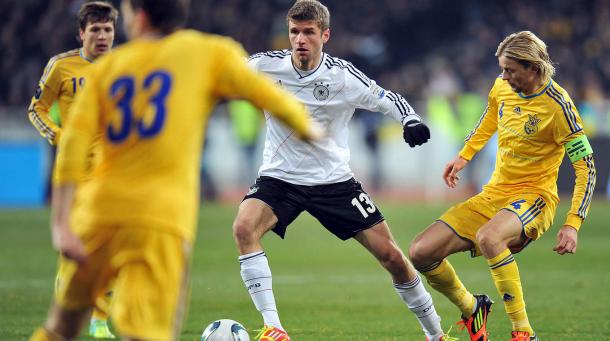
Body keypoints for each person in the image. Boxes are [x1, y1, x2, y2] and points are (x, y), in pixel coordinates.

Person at [28, 0, 322, 340]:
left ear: (138, 17)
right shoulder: (209, 52)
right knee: (148, 332)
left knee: (60, 327)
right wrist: (307, 127)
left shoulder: (107, 68)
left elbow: (72, 148)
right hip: (161, 218)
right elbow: (267, 95)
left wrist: (62, 225)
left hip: (98, 212)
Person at [232, 1, 450, 340]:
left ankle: (436, 334)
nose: (300, 39)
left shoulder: (342, 76)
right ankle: (274, 327)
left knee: (392, 256)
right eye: (294, 32)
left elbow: (385, 97)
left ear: (325, 35)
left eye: (308, 32)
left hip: (334, 182)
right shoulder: (264, 66)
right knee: (244, 227)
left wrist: (409, 119)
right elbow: (224, 71)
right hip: (280, 178)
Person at [408, 31, 596, 341]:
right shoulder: (501, 87)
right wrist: (464, 156)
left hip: (535, 196)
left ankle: (523, 333)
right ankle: (473, 310)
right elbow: (490, 117)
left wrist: (573, 223)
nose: (503, 77)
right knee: (421, 252)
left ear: (533, 68)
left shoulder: (559, 106)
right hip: (495, 193)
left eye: (510, 70)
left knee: (489, 237)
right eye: (501, 69)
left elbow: (586, 167)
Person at [27, 1, 118, 338]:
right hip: (73, 173)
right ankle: (68, 308)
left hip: (112, 173)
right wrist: (59, 136)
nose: (102, 35)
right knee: (77, 246)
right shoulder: (61, 66)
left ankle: (99, 320)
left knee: (110, 245)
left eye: (108, 29)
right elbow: (37, 108)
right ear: (82, 33)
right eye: (95, 29)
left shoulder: (124, 67)